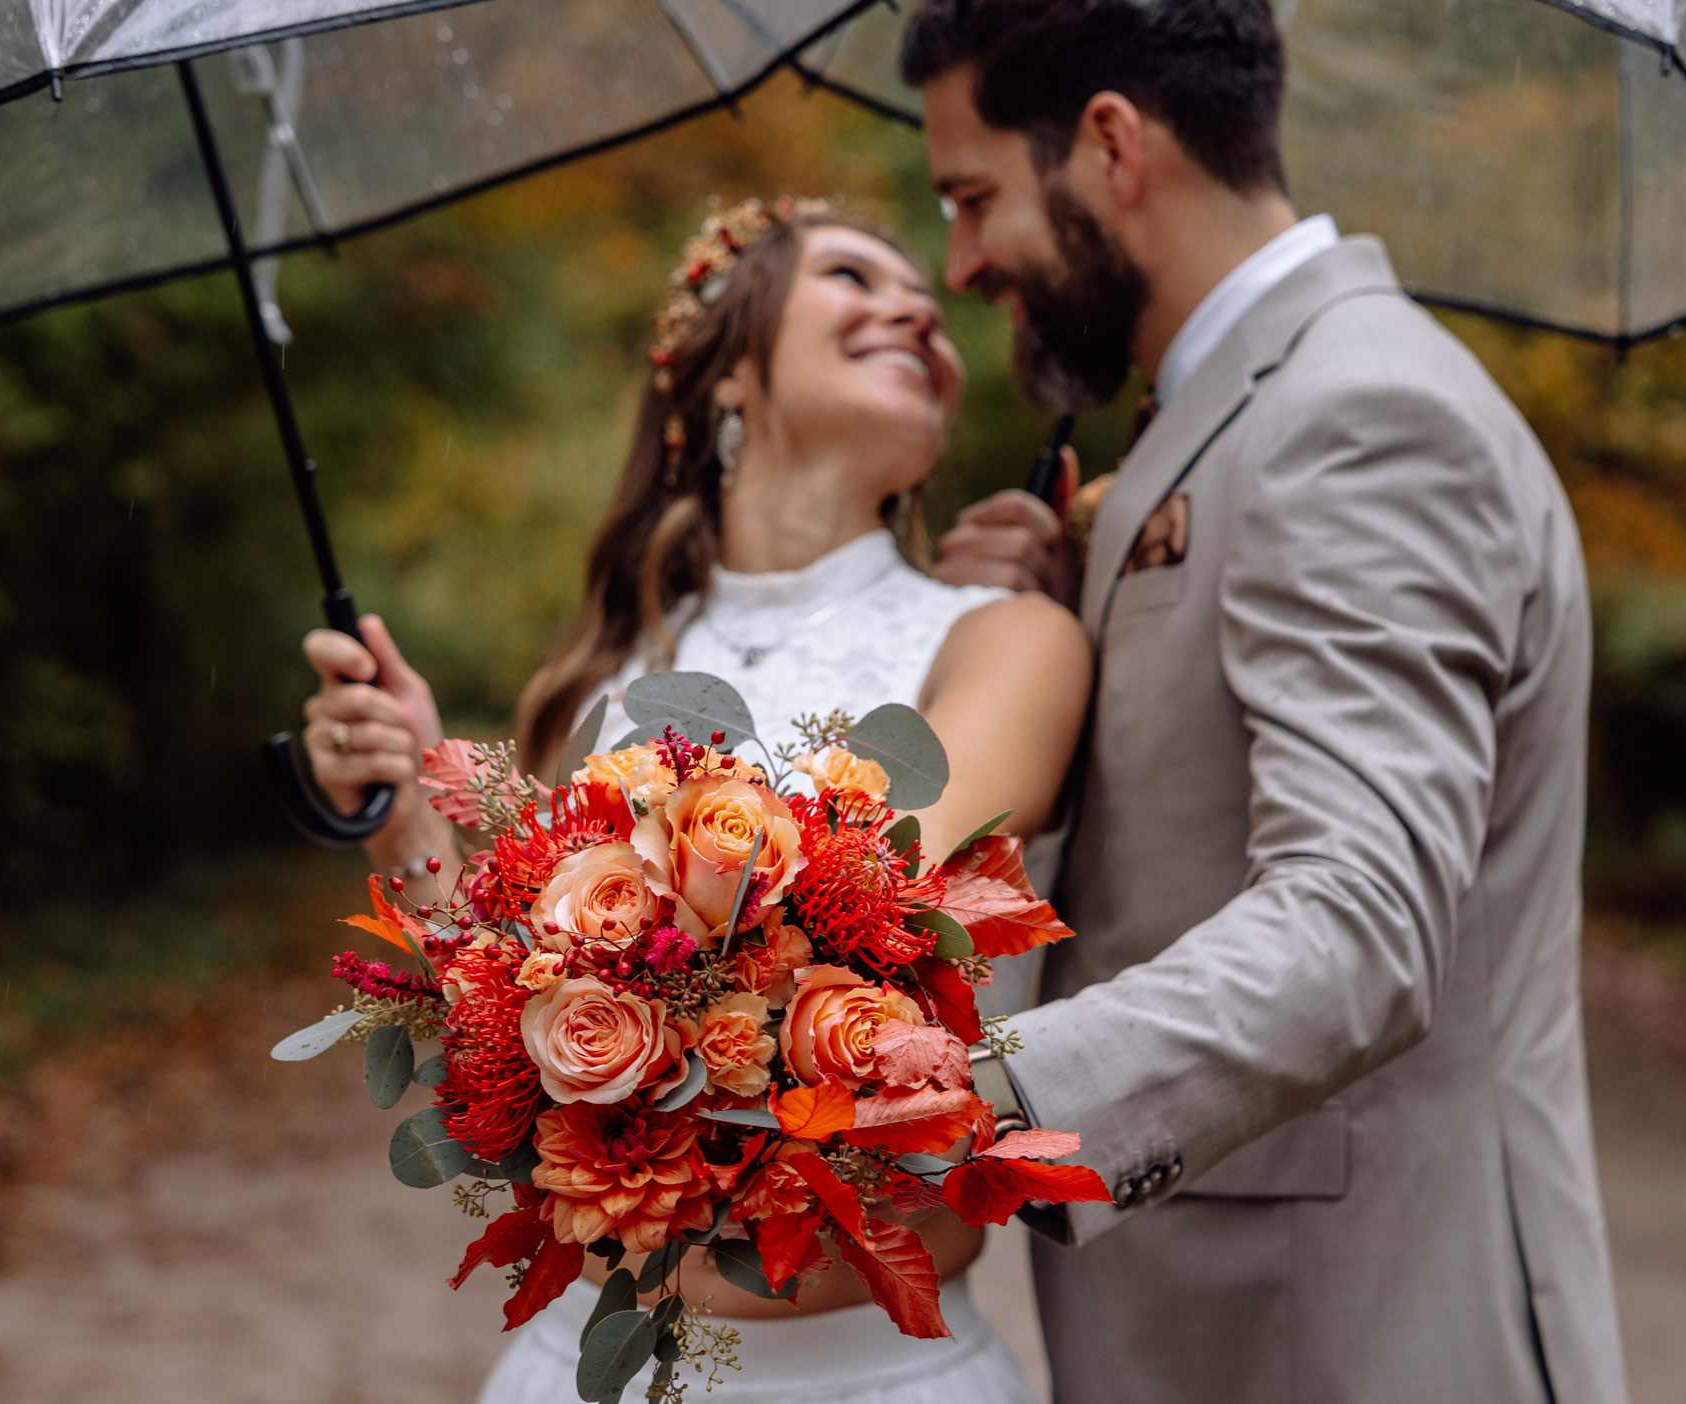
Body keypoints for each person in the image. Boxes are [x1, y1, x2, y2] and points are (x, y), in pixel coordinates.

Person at [918, 0, 1630, 1404]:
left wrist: (976, 1102)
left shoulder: (1359, 417)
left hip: (1353, 1329)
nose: (964, 262)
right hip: (1239, 1316)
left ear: (1112, 145)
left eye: (976, 198)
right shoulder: (1237, 414)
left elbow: (1360, 923)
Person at [292, 199, 1090, 1404]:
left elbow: (862, 926)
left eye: (926, 301)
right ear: (727, 377)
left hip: (870, 1378)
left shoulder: (1006, 642)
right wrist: (408, 805)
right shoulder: (594, 687)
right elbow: (495, 1049)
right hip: (582, 1368)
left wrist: (580, 939)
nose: (917, 310)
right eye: (851, 276)